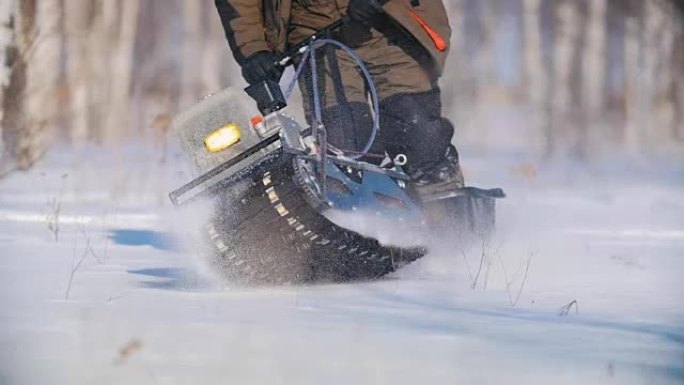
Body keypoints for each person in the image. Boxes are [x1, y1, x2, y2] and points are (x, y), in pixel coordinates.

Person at [215, 0, 464, 195]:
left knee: (415, 128)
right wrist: (254, 51)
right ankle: (370, 233)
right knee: (345, 144)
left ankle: (451, 229)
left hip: (388, 21)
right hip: (313, 30)